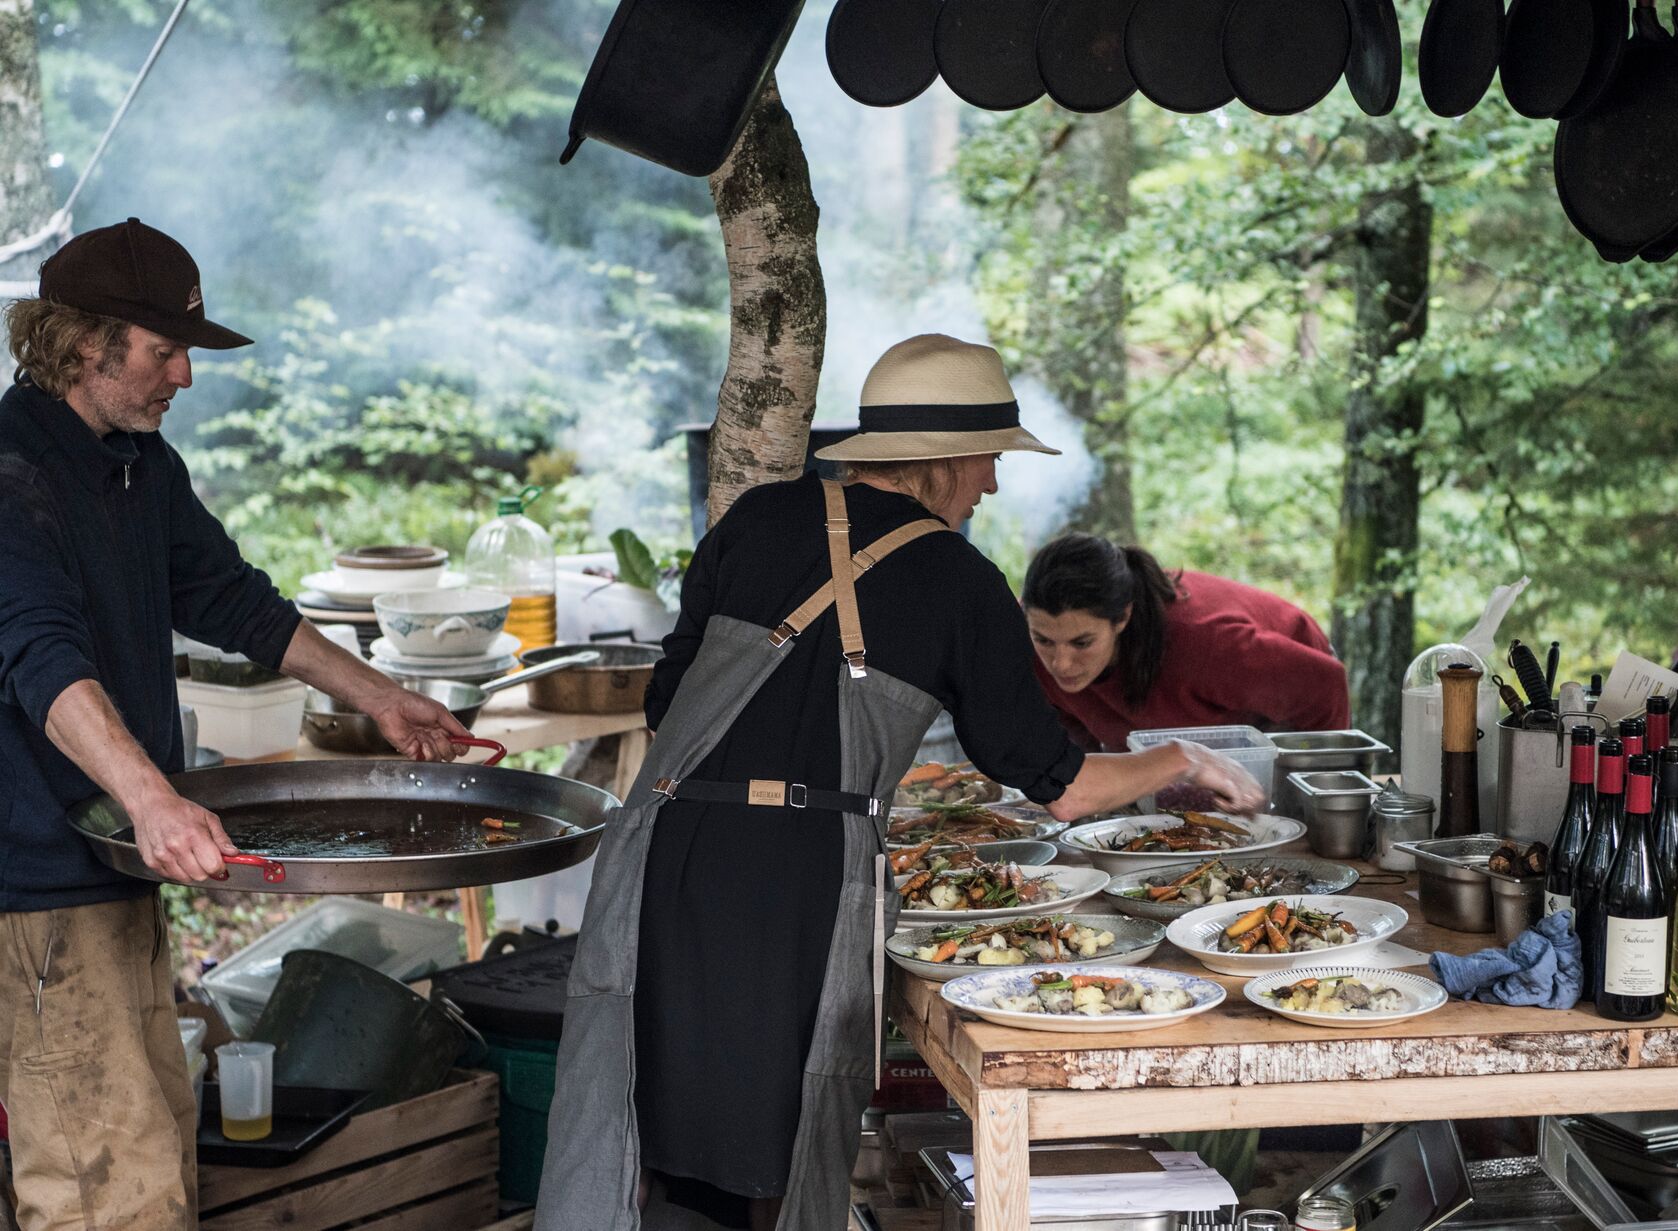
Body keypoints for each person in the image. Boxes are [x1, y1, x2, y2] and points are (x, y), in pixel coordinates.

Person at [535, 335, 1263, 1231]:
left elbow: (666, 702)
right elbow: (1060, 786)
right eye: (991, 458)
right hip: (795, 880)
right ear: (948, 459)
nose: (992, 483)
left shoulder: (756, 520)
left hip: (660, 854)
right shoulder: (959, 581)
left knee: (642, 1110)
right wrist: (1180, 759)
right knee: (785, 1136)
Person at [0, 218, 472, 1231]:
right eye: (165, 351)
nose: (184, 375)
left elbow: (236, 601)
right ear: (88, 343)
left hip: (111, 862)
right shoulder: (11, 474)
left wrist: (379, 697)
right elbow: (41, 658)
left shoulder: (134, 464)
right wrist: (153, 799)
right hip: (33, 876)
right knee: (101, 1183)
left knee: (153, 1138)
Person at [1022, 532, 1352, 751]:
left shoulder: (1206, 645)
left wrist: (1316, 786)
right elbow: (1067, 730)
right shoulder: (1028, 644)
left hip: (1286, 694)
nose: (1060, 664)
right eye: (1044, 641)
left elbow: (1326, 686)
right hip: (1176, 724)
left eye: (1081, 643)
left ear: (1122, 618)